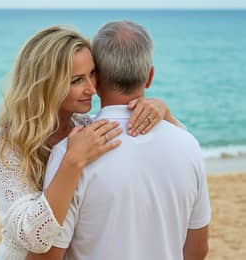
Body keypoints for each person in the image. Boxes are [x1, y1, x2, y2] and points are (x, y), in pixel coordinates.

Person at [0, 26, 181, 260]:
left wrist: (164, 114)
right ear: (46, 84)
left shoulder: (86, 125)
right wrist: (71, 162)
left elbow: (178, 151)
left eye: (93, 74)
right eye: (77, 80)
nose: (92, 88)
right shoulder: (9, 141)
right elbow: (31, 236)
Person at [32, 21, 211, 260]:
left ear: (97, 79)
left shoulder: (71, 153)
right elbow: (198, 250)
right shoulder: (189, 146)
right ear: (149, 77)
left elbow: (48, 257)